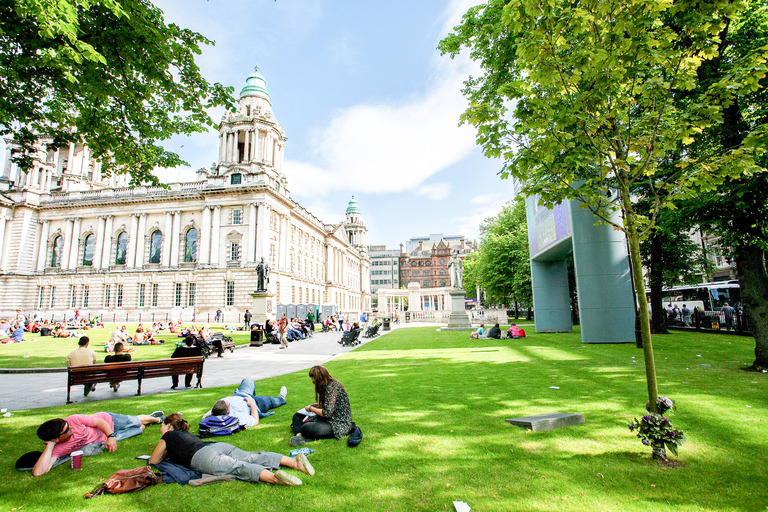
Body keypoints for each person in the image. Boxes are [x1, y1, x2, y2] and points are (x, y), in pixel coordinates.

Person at [148, 413, 313, 486]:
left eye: (161, 426)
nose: (160, 430)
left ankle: (274, 478)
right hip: (216, 446)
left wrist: (164, 453)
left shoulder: (168, 436)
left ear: (169, 426)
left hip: (203, 456)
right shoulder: (186, 434)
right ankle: (293, 462)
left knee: (237, 467)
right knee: (251, 456)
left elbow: (153, 461)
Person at [32, 409, 164, 477]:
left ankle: (157, 419)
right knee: (140, 429)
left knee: (134, 421)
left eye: (68, 425)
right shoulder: (58, 448)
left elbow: (100, 423)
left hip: (107, 422)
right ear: (56, 439)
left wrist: (110, 436)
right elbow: (38, 472)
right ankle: (144, 421)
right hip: (103, 439)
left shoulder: (74, 419)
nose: (71, 428)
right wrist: (49, 446)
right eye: (67, 430)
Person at [291, 365, 353, 446]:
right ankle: (299, 435)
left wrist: (311, 409)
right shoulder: (328, 385)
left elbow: (327, 413)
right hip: (328, 420)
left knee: (306, 428)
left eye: (314, 382)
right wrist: (318, 405)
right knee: (297, 416)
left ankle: (302, 434)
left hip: (337, 424)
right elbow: (329, 405)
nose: (314, 384)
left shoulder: (332, 387)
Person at [202, 379, 288, 429]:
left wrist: (227, 399)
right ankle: (281, 398)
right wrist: (252, 405)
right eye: (229, 405)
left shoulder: (211, 413)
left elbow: (209, 412)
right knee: (271, 400)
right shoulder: (236, 417)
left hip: (241, 394)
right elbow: (255, 421)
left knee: (248, 380)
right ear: (228, 411)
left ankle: (253, 394)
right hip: (255, 403)